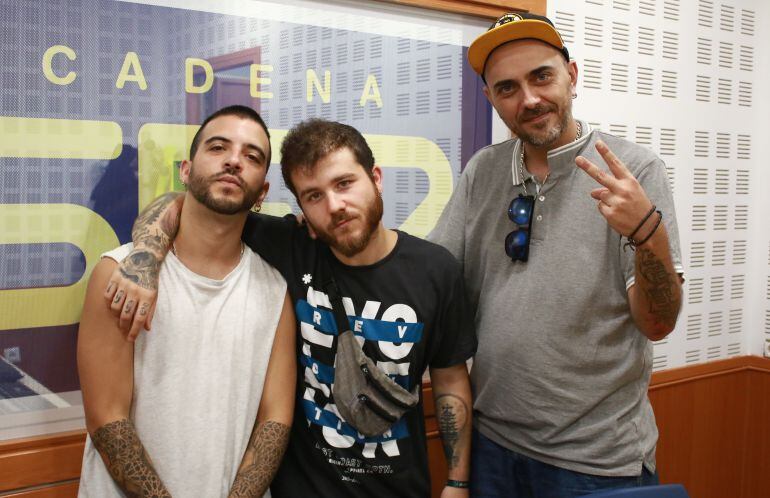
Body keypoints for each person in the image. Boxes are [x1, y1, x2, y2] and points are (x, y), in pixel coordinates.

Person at [104, 118, 477, 497]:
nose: (335, 206)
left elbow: (450, 379)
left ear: (376, 178)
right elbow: (188, 202)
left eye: (344, 184)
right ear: (302, 210)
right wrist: (147, 258)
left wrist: (457, 481)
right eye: (313, 196)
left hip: (397, 487)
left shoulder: (435, 270)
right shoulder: (293, 247)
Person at [428, 13, 685, 498]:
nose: (528, 99)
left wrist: (647, 230)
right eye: (507, 87)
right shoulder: (483, 170)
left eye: (541, 76)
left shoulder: (634, 170)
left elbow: (658, 324)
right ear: (491, 99)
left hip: (595, 461)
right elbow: (433, 274)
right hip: (492, 447)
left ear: (572, 75)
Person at [78, 105, 296, 497]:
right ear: (185, 170)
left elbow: (274, 420)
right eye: (218, 147)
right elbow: (107, 419)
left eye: (252, 156)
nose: (233, 160)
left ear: (262, 191)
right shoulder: (121, 274)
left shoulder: (275, 290)